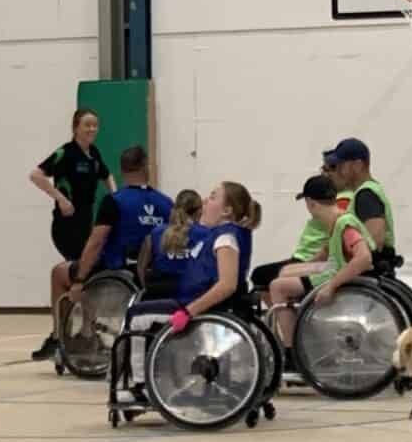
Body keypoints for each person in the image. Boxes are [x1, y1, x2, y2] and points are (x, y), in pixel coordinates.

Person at [28, 108, 111, 361]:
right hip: (67, 226)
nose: (92, 130)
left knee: (83, 278)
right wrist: (60, 199)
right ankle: (66, 334)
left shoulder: (94, 154)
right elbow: (35, 175)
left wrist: (114, 198)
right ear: (75, 127)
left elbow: (107, 176)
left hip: (87, 224)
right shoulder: (65, 153)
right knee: (79, 275)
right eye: (87, 125)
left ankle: (77, 332)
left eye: (95, 125)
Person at [264, 171, 373, 353]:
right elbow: (327, 252)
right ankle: (302, 331)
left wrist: (331, 286)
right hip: (334, 268)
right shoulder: (336, 220)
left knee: (277, 286)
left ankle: (293, 351)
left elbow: (364, 258)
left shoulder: (344, 223)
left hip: (339, 276)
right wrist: (302, 269)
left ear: (311, 203)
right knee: (286, 272)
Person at [137, 181, 258, 327]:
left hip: (203, 310)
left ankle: (135, 351)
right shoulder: (217, 234)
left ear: (226, 211)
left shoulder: (225, 238)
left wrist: (188, 312)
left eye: (212, 197)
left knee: (135, 315)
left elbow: (227, 285)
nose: (205, 201)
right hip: (191, 302)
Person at [69, 145, 170, 303]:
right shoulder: (167, 203)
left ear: (122, 170)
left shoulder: (114, 201)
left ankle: (85, 326)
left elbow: (96, 242)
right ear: (146, 167)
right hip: (154, 271)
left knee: (58, 273)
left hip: (119, 269)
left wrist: (79, 280)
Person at [322, 137, 396, 264]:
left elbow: (374, 243)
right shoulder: (364, 193)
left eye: (340, 166)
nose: (337, 171)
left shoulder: (366, 195)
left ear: (357, 165)